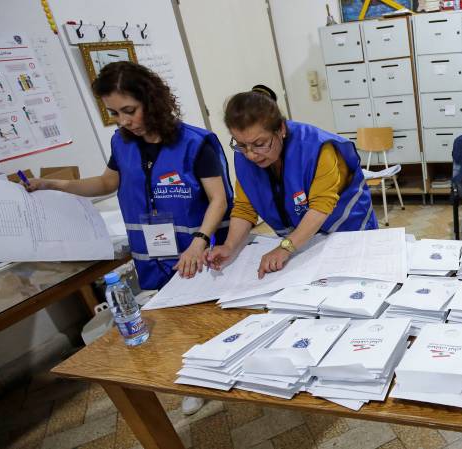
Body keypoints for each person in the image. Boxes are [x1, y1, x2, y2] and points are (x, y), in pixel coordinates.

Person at [23, 61, 231, 415]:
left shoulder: (195, 144)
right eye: (114, 113)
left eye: (129, 110)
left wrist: (199, 241)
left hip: (194, 253)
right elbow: (106, 184)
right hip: (151, 255)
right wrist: (51, 184)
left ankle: (221, 372)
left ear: (151, 100)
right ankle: (191, 378)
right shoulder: (121, 143)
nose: (122, 120)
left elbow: (219, 199)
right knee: (171, 323)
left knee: (204, 319)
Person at [207, 86, 377, 276]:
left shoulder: (317, 149)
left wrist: (285, 247)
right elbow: (245, 209)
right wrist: (229, 246)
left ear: (281, 129)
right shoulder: (245, 158)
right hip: (304, 240)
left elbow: (321, 206)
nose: (251, 155)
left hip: (347, 232)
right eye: (240, 145)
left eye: (259, 144)